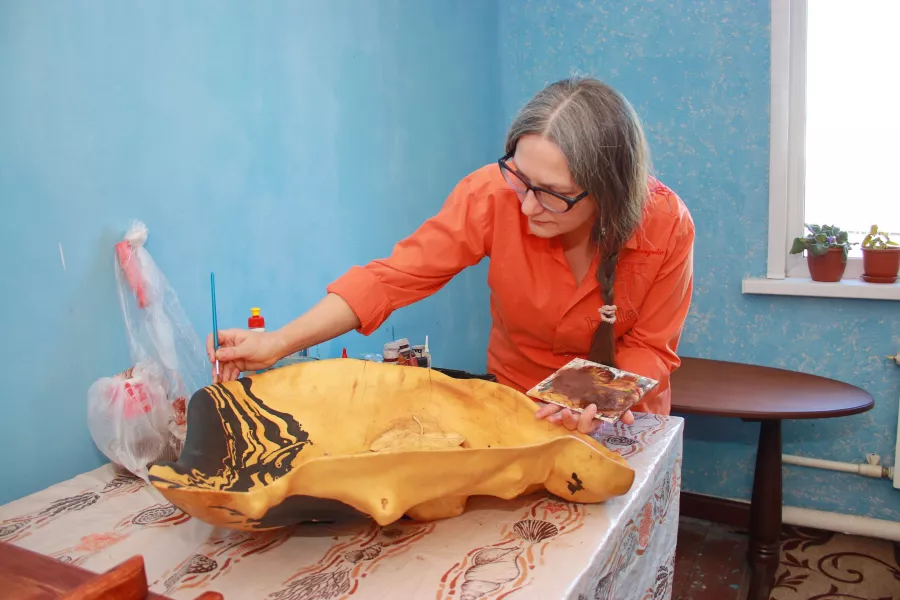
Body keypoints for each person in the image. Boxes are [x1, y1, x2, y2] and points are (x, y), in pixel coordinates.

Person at [207, 77, 694, 435]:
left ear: (609, 192)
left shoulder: (667, 223)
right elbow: (391, 278)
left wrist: (597, 398)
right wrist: (279, 342)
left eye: (552, 194)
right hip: (519, 405)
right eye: (520, 178)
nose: (527, 206)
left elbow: (650, 348)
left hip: (621, 415)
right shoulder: (491, 194)